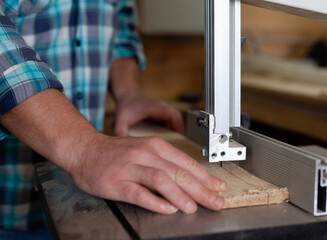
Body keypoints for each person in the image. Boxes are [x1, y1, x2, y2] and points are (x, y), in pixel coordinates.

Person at [0, 0, 226, 239]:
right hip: (10, 206)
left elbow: (120, 27)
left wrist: (129, 93)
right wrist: (84, 149)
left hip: (87, 206)